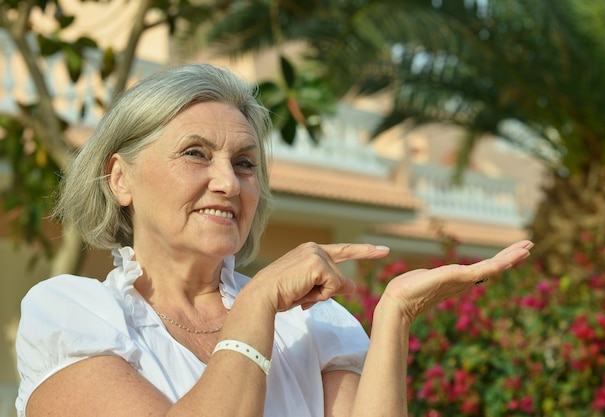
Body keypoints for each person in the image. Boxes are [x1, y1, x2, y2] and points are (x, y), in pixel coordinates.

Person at [14, 63, 533, 417]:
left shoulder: (313, 323)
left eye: (244, 163)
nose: (228, 182)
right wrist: (259, 299)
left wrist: (396, 312)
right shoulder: (72, 313)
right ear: (120, 178)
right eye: (195, 153)